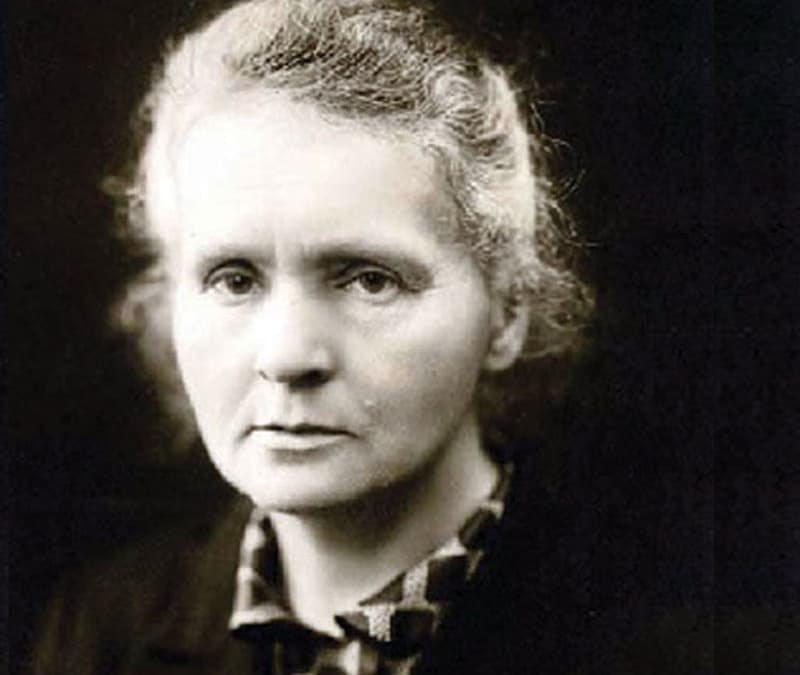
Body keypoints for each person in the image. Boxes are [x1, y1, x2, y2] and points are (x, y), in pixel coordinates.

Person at [31, 1, 592, 673]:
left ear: (508, 309)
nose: (287, 356)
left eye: (369, 279)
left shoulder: (667, 631)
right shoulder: (103, 629)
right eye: (233, 279)